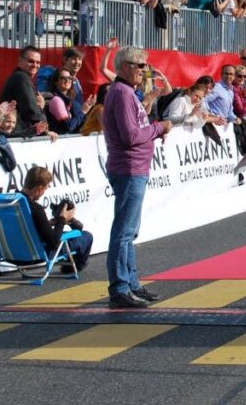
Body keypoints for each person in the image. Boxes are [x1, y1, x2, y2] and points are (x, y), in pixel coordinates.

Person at [103, 46, 172, 308]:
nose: (144, 70)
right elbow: (131, 136)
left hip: (135, 168)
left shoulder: (128, 93)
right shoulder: (121, 93)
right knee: (124, 232)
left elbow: (138, 129)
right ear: (123, 66)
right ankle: (120, 287)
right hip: (128, 168)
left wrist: (154, 130)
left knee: (129, 232)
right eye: (139, 65)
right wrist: (158, 128)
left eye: (145, 65)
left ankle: (130, 282)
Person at [20, 166, 93, 274]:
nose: (44, 192)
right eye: (45, 188)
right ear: (39, 189)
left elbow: (24, 226)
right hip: (37, 253)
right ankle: (73, 267)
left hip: (13, 254)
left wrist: (48, 223)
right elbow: (54, 243)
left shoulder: (8, 204)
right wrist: (62, 219)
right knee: (86, 236)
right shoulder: (36, 209)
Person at [0, 45, 51, 138]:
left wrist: (41, 107)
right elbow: (31, 110)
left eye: (38, 62)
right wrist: (44, 130)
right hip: (17, 137)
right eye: (31, 61)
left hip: (18, 136)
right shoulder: (21, 78)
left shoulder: (21, 77)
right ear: (20, 61)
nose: (35, 65)